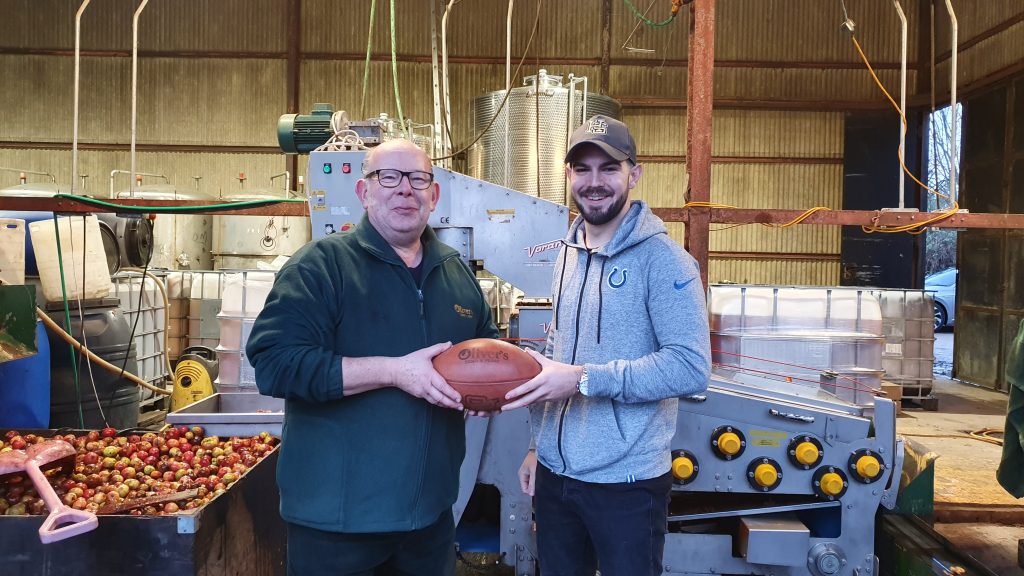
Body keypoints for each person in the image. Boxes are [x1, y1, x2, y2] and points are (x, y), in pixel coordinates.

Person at [246, 138, 498, 576]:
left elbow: (486, 347)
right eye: (389, 176)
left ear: (434, 194)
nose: (405, 189)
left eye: (418, 178)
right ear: (364, 192)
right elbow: (275, 364)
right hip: (337, 525)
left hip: (430, 521)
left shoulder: (455, 272)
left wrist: (488, 389)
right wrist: (393, 371)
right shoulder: (321, 266)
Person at [503, 115, 712, 576]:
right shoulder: (567, 254)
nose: (594, 182)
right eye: (582, 169)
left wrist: (584, 379)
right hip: (557, 477)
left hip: (627, 482)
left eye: (609, 168)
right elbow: (556, 352)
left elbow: (690, 367)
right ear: (568, 175)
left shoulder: (665, 261)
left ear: (634, 175)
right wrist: (538, 445)